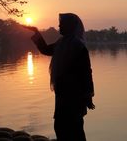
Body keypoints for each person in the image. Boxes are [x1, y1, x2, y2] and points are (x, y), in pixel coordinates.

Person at [25, 13, 95, 141]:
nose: (59, 26)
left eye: (62, 24)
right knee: (60, 126)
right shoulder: (61, 43)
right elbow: (45, 50)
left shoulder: (78, 46)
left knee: (75, 128)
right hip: (62, 92)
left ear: (70, 26)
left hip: (75, 94)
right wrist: (36, 32)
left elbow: (86, 72)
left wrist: (88, 96)